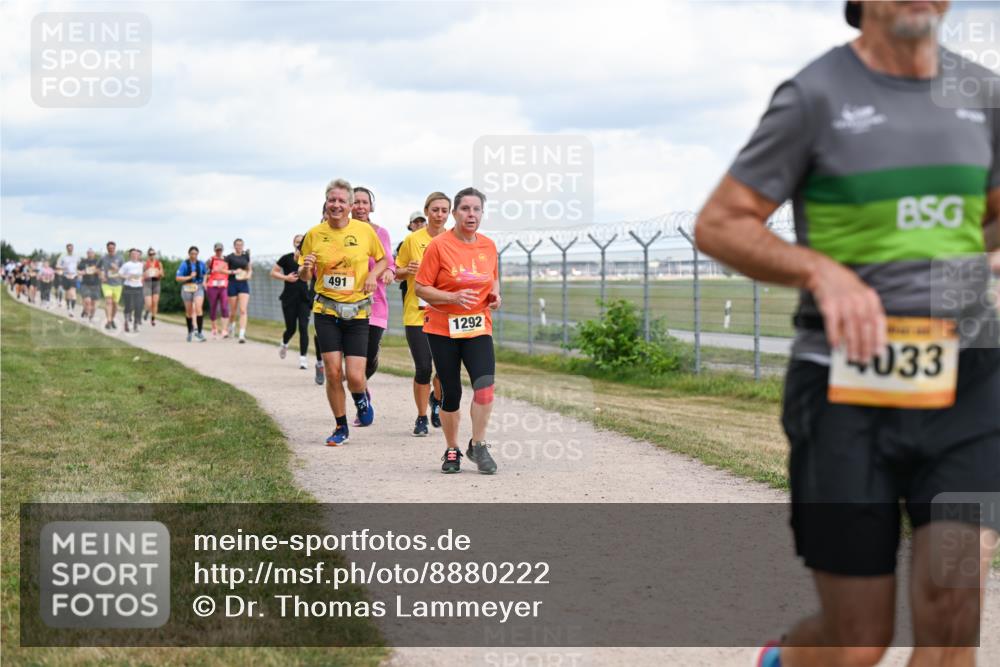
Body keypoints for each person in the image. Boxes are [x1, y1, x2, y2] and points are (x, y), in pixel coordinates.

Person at [693, 3, 1000, 666]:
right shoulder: (815, 96)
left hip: (967, 378)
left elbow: (994, 215)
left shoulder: (984, 95)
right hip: (844, 386)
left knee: (954, 604)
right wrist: (821, 271)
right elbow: (721, 223)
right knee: (858, 638)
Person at [415, 187, 501, 474]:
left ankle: (478, 445)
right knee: (451, 392)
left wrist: (495, 296)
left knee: (485, 387)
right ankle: (452, 449)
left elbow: (493, 280)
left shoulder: (488, 246)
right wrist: (452, 298)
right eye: (465, 209)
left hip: (478, 326)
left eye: (477, 209)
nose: (471, 214)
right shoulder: (439, 245)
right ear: (455, 213)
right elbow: (420, 287)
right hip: (442, 328)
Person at [298, 178, 387, 446]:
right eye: (331, 200)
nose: (335, 205)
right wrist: (306, 267)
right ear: (326, 204)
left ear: (349, 206)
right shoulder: (314, 234)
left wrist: (373, 274)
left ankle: (361, 399)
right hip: (326, 310)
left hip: (358, 312)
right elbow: (304, 276)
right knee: (333, 372)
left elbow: (383, 259)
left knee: (356, 377)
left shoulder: (364, 232)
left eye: (341, 201)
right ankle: (341, 426)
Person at [396, 197, 449, 436]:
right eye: (435, 210)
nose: (439, 214)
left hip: (446, 313)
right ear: (427, 212)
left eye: (444, 210)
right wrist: (407, 270)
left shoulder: (454, 240)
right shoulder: (412, 240)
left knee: (445, 370)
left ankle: (436, 402)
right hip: (417, 314)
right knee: (423, 368)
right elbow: (396, 273)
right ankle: (421, 417)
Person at [351, 186, 396, 424]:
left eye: (364, 202)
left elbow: (389, 261)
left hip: (375, 302)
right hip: (346, 303)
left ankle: (362, 385)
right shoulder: (341, 232)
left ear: (371, 206)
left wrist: (389, 270)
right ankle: (362, 398)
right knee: (352, 360)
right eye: (355, 202)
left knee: (368, 358)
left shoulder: (381, 233)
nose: (359, 207)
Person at [272, 234, 318, 371]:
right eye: (297, 242)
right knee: (291, 328)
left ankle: (303, 359)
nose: (299, 244)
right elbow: (273, 272)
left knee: (303, 328)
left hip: (304, 299)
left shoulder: (309, 260)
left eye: (301, 242)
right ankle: (284, 343)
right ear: (294, 243)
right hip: (288, 298)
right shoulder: (286, 258)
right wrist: (286, 277)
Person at [176, 246, 208, 342]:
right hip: (187, 287)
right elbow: (178, 278)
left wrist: (204, 282)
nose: (194, 255)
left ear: (197, 254)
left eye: (195, 254)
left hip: (198, 287)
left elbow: (205, 273)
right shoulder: (184, 264)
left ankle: (199, 332)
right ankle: (190, 331)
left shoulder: (201, 263)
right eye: (192, 254)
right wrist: (189, 276)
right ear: (189, 254)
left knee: (198, 308)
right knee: (189, 312)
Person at [225, 238, 252, 343]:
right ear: (234, 246)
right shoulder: (229, 257)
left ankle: (241, 334)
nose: (239, 246)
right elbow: (223, 270)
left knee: (243, 310)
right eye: (237, 245)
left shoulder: (246, 256)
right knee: (233, 311)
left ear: (243, 246)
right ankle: (231, 326)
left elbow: (249, 268)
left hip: (243, 284)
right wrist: (233, 271)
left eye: (241, 245)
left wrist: (248, 275)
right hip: (232, 284)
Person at [205, 243, 231, 338]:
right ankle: (214, 327)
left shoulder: (227, 260)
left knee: (224, 307)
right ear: (214, 250)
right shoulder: (211, 260)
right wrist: (205, 281)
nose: (219, 251)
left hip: (223, 285)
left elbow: (230, 271)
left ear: (223, 250)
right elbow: (205, 271)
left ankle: (224, 330)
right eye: (217, 250)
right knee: (213, 307)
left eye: (220, 250)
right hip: (212, 286)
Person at [119, 248, 145, 333]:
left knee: (138, 306)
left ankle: (135, 324)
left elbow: (146, 273)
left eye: (136, 254)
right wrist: (127, 277)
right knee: (129, 306)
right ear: (130, 255)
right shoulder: (127, 265)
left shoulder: (141, 264)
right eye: (133, 254)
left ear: (138, 255)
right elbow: (120, 274)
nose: (135, 255)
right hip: (128, 287)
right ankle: (126, 322)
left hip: (138, 287)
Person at [99, 241, 124, 330]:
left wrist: (117, 268)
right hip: (106, 284)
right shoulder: (103, 258)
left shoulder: (120, 258)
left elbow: (124, 271)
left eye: (112, 248)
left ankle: (112, 319)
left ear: (115, 248)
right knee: (108, 302)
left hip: (117, 284)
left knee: (115, 304)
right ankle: (109, 321)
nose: (111, 250)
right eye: (109, 248)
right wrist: (101, 276)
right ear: (107, 249)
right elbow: (97, 268)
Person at [77, 249, 101, 323]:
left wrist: (95, 271)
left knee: (94, 303)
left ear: (94, 254)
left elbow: (101, 271)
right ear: (87, 254)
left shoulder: (98, 262)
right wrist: (82, 272)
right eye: (89, 253)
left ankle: (91, 316)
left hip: (96, 284)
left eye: (91, 253)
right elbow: (78, 270)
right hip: (85, 284)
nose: (90, 254)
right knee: (87, 301)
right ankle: (86, 313)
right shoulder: (83, 262)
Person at [57, 243, 80, 318]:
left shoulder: (77, 257)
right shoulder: (63, 257)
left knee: (73, 293)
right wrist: (63, 268)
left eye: (71, 248)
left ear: (73, 248)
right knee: (67, 293)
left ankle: (72, 310)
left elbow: (79, 266)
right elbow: (57, 266)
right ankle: (68, 305)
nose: (70, 249)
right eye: (68, 248)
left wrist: (78, 273)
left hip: (74, 276)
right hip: (65, 276)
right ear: (67, 249)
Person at [142, 248, 163, 326]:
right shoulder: (145, 264)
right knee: (149, 303)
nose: (152, 255)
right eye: (150, 254)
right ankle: (147, 311)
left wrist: (158, 273)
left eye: (153, 254)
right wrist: (147, 273)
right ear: (148, 255)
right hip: (147, 283)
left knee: (155, 302)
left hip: (156, 283)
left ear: (155, 254)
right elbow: (142, 275)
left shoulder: (159, 263)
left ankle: (153, 319)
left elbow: (162, 275)